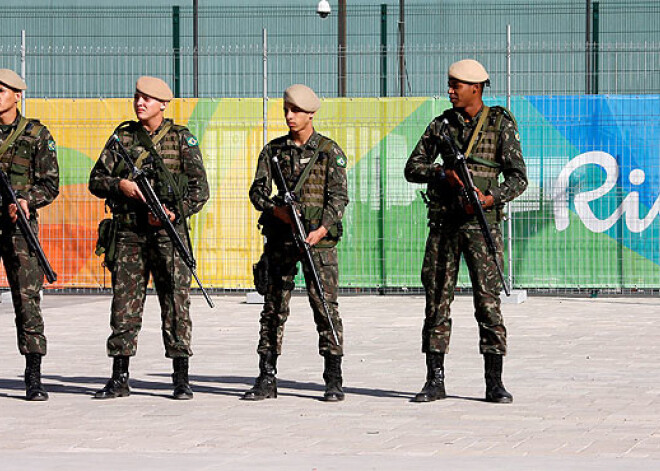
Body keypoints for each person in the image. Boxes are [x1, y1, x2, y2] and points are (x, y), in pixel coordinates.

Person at [405, 59, 527, 403]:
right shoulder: (440, 125)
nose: (450, 90)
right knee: (437, 302)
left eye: (456, 85)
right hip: (445, 225)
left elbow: (518, 177)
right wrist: (443, 175)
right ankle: (435, 379)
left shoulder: (500, 124)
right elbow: (412, 167)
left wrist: (490, 198)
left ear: (476, 87)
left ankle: (494, 381)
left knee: (488, 303)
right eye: (450, 84)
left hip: (482, 226)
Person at [89, 76, 209, 400]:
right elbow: (96, 179)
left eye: (148, 98)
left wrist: (173, 213)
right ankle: (119, 377)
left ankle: (181, 378)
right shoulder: (123, 137)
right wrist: (121, 187)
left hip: (169, 236)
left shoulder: (182, 140)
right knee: (124, 306)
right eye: (137, 97)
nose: (140, 103)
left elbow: (200, 190)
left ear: (163, 104)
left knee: (176, 304)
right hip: (130, 234)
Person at [246, 84, 349, 402]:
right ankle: (266, 376)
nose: (290, 116)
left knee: (325, 308)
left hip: (318, 243)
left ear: (311, 114)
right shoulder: (273, 151)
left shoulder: (329, 152)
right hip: (281, 239)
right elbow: (257, 192)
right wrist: (277, 211)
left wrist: (321, 229)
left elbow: (339, 196)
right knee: (273, 307)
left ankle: (333, 378)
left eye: (296, 111)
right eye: (286, 110)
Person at [0, 69, 59, 401]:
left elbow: (51, 183)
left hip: (19, 228)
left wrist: (25, 200)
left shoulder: (35, 134)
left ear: (17, 95)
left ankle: (33, 375)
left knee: (27, 299)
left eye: (2, 91)